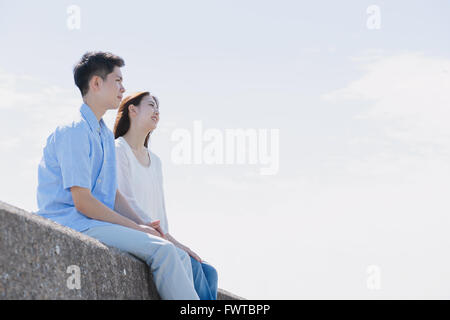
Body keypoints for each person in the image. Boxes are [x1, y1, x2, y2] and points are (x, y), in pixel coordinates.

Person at [35, 51, 199, 300]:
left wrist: (143, 225)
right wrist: (136, 228)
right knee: (164, 252)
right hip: (73, 222)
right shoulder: (74, 131)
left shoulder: (102, 135)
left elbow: (112, 194)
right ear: (96, 83)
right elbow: (83, 202)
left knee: (178, 255)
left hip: (94, 223)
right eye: (118, 81)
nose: (123, 88)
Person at [113, 91, 218, 300]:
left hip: (160, 236)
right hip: (136, 232)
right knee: (192, 267)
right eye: (151, 105)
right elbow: (125, 200)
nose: (157, 111)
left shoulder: (156, 161)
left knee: (209, 272)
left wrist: (173, 240)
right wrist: (163, 237)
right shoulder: (118, 149)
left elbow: (160, 211)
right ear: (132, 110)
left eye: (158, 107)